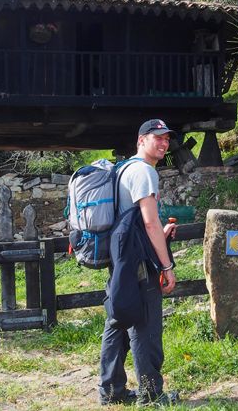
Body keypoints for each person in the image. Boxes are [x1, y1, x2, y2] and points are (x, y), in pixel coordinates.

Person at [98, 119, 179, 406]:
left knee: (118, 320)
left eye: (166, 139)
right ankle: (151, 394)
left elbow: (133, 220)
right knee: (145, 325)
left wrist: (158, 233)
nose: (164, 143)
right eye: (157, 137)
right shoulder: (144, 171)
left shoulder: (123, 169)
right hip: (139, 262)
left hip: (121, 257)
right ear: (141, 140)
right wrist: (166, 266)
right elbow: (149, 222)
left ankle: (112, 392)